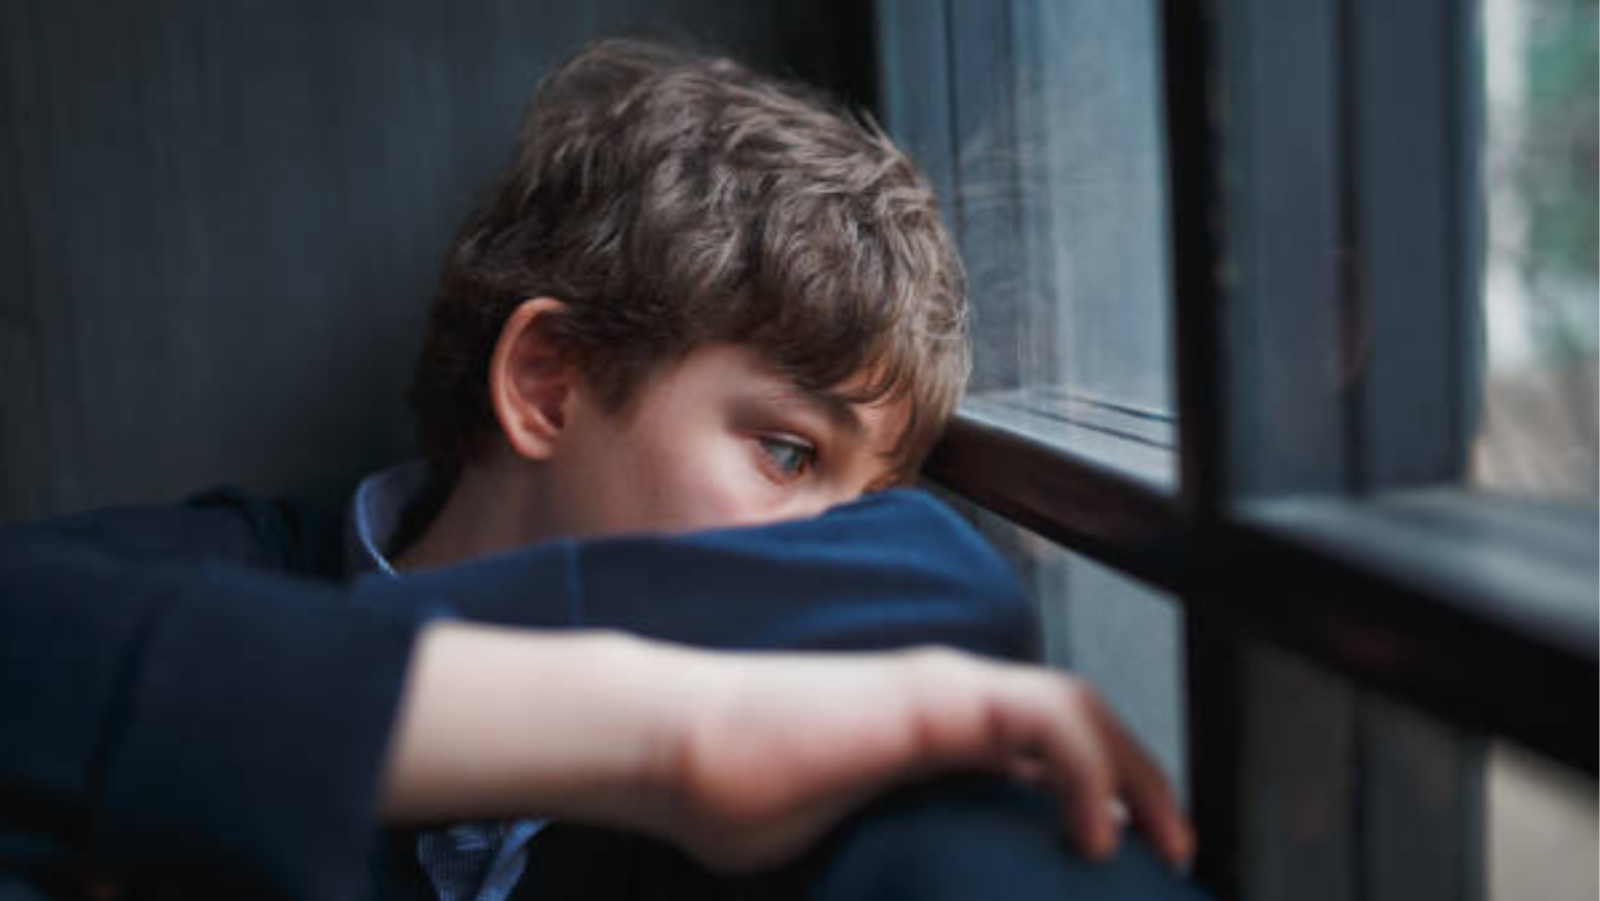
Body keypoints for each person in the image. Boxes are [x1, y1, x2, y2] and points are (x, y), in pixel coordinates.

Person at [0, 37, 1203, 901]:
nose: (831, 540)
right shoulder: (190, 586)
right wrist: (660, 731)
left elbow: (942, 584)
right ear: (548, 383)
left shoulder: (825, 723)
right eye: (787, 450)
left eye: (871, 494)